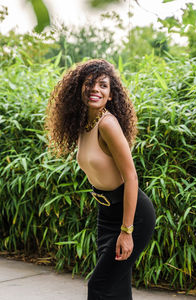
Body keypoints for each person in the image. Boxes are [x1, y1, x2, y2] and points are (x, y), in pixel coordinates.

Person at [45, 59, 156, 300]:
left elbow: (131, 176)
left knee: (100, 285)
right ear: (80, 90)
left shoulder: (107, 124)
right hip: (106, 214)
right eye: (89, 84)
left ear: (111, 95)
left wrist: (127, 231)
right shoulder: (84, 124)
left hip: (132, 214)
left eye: (103, 85)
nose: (96, 89)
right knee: (116, 286)